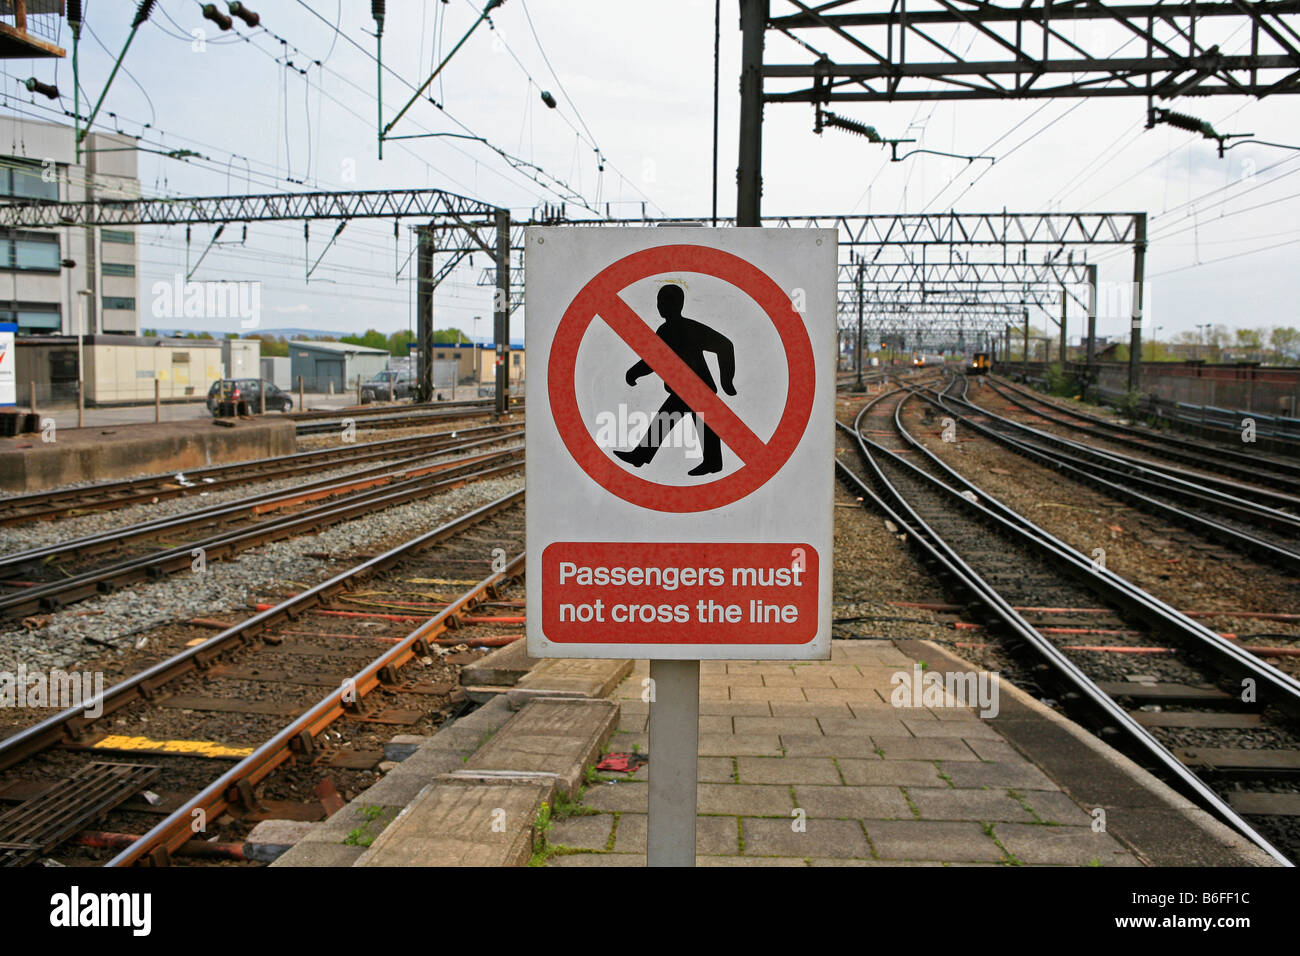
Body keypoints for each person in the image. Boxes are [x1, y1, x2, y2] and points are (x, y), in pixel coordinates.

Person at [613, 284, 735, 476]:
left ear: (673, 304)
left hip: (693, 389)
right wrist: (726, 383)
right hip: (689, 388)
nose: (659, 306)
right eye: (658, 302)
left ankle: (641, 456)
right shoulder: (681, 328)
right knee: (697, 424)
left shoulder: (669, 330)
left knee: (666, 420)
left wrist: (727, 382)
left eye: (662, 302)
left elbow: (652, 361)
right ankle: (712, 461)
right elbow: (654, 360)